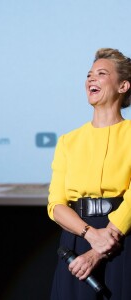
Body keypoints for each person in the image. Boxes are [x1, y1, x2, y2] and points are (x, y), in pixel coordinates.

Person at [48, 48, 131, 300]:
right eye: (89, 75)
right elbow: (56, 205)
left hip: (122, 238)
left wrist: (100, 248)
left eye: (101, 73)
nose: (91, 79)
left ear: (123, 85)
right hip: (78, 237)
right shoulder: (68, 141)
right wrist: (92, 236)